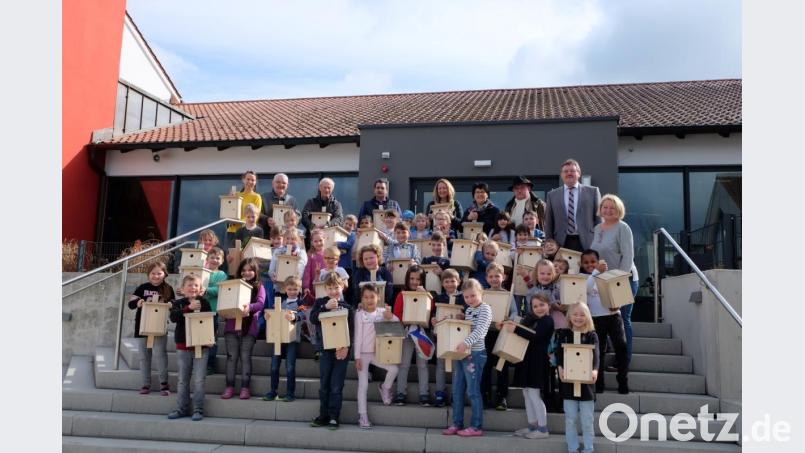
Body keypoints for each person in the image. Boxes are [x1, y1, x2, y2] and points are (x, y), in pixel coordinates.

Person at [590, 194, 638, 368]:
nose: (608, 210)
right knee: (606, 321)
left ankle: (624, 361)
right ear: (600, 209)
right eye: (605, 207)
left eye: (612, 207)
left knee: (623, 320)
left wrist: (619, 283)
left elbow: (628, 256)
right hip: (603, 281)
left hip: (623, 280)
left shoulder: (623, 227)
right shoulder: (598, 228)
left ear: (619, 210)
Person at [442, 278, 492, 437]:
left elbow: (480, 331)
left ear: (481, 293)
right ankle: (457, 423)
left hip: (476, 354)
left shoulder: (485, 309)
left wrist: (466, 342)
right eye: (466, 297)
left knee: (472, 391)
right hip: (462, 354)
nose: (470, 299)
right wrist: (462, 320)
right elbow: (468, 328)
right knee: (457, 390)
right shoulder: (469, 310)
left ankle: (476, 426)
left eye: (473, 296)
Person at [309, 273, 354, 430]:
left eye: (336, 287)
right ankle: (323, 415)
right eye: (330, 288)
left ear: (342, 287)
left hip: (341, 351)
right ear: (325, 289)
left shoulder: (347, 307)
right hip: (325, 350)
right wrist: (324, 307)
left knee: (336, 385)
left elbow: (352, 330)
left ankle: (334, 416)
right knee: (324, 384)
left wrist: (346, 348)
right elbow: (313, 319)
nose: (333, 290)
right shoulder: (320, 303)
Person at [580, 249, 629, 394]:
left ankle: (623, 381)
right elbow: (585, 289)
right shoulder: (582, 277)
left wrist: (618, 303)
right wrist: (596, 272)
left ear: (599, 261)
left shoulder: (609, 274)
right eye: (586, 263)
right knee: (598, 351)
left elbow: (619, 291)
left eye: (593, 262)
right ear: (581, 264)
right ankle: (599, 384)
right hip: (595, 318)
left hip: (613, 316)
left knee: (621, 346)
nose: (590, 265)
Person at [354, 283, 400, 428]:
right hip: (362, 354)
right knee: (364, 385)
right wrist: (356, 357)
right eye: (366, 297)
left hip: (378, 353)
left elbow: (397, 323)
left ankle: (385, 388)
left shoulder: (381, 312)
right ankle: (363, 416)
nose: (369, 300)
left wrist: (390, 316)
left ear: (378, 297)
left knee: (394, 369)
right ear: (361, 298)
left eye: (372, 297)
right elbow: (357, 337)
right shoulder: (359, 314)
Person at [556, 303, 600, 453]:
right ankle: (572, 448)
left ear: (587, 317)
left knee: (587, 420)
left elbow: (596, 355)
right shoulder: (564, 333)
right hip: (568, 384)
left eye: (582, 315)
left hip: (587, 385)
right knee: (571, 419)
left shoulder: (591, 335)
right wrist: (560, 368)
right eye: (575, 314)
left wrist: (595, 370)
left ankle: (588, 448)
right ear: (569, 316)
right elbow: (559, 354)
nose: (578, 318)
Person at [167, 274, 212, 421]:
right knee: (182, 379)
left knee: (199, 379)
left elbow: (211, 321)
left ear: (200, 289)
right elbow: (173, 317)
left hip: (201, 346)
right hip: (183, 346)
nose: (193, 288)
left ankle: (198, 410)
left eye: (196, 286)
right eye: (190, 285)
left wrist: (211, 338)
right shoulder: (178, 303)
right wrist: (188, 308)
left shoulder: (205, 303)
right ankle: (181, 409)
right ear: (183, 289)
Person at [510, 293, 555, 439]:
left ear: (548, 305)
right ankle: (532, 426)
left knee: (534, 394)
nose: (539, 308)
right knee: (527, 393)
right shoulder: (534, 319)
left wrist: (515, 330)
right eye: (535, 306)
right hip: (527, 360)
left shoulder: (547, 320)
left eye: (542, 305)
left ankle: (543, 429)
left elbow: (535, 336)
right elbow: (524, 324)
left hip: (538, 361)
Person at [129, 261, 175, 396]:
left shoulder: (168, 288)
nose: (156, 276)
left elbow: (174, 303)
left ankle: (164, 384)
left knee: (160, 355)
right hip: (142, 327)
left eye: (159, 273)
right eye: (153, 273)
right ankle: (145, 384)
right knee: (144, 357)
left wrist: (170, 304)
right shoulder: (142, 288)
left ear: (164, 274)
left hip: (159, 327)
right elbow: (131, 304)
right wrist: (139, 302)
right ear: (148, 275)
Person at [221, 258, 265, 400]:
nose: (246, 272)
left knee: (245, 357)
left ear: (255, 271)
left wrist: (250, 307)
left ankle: (245, 388)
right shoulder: (234, 284)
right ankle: (229, 387)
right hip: (231, 326)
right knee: (231, 357)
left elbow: (260, 303)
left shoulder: (259, 286)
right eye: (244, 270)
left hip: (249, 326)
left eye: (250, 270)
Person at [392, 265, 434, 406]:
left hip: (421, 333)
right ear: (407, 279)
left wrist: (424, 294)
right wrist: (406, 321)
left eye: (418, 279)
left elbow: (431, 310)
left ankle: (424, 394)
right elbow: (397, 313)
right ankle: (400, 393)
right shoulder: (402, 294)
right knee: (404, 364)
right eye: (412, 279)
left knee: (423, 365)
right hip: (407, 333)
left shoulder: (427, 294)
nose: (415, 282)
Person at [480, 263, 518, 411]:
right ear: (486, 278)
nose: (494, 279)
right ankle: (485, 394)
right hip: (487, 334)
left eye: (497, 276)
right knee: (486, 365)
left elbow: (514, 312)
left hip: (502, 334)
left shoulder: (508, 295)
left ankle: (501, 396)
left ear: (503, 277)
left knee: (502, 366)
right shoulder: (483, 294)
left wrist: (508, 320)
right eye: (491, 276)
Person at [544, 159, 601, 252]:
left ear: (579, 173)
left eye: (572, 171)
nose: (569, 173)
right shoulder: (552, 195)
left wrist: (599, 242)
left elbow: (598, 219)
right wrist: (549, 242)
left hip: (588, 242)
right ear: (561, 175)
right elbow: (549, 222)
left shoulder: (593, 192)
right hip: (561, 242)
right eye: (565, 171)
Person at [263, 276, 303, 402]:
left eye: (295, 289)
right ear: (285, 289)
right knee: (274, 366)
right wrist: (268, 315)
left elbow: (303, 316)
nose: (292, 291)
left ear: (299, 289)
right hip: (278, 338)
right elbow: (274, 316)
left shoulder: (301, 303)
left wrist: (294, 317)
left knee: (290, 366)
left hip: (292, 339)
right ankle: (273, 391)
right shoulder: (281, 302)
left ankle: (290, 393)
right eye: (290, 289)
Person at [428, 268, 464, 407]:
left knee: (456, 367)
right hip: (441, 336)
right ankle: (440, 393)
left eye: (452, 281)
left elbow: (467, 313)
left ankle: (456, 394)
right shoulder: (439, 297)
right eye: (446, 281)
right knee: (440, 366)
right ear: (442, 283)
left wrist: (463, 316)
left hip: (457, 337)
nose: (450, 284)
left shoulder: (462, 298)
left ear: (459, 282)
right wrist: (433, 320)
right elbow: (432, 314)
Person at [203, 247, 228, 375]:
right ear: (207, 259)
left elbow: (220, 290)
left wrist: (206, 290)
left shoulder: (222, 275)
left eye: (217, 258)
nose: (214, 260)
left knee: (211, 339)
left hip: (213, 311)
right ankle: (199, 363)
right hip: (199, 310)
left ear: (222, 261)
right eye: (212, 257)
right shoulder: (202, 272)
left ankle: (210, 365)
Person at [225, 171, 264, 249]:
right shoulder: (236, 194)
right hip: (232, 230)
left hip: (246, 231)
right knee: (231, 257)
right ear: (243, 180)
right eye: (248, 179)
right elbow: (228, 211)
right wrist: (229, 199)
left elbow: (256, 215)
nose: (250, 182)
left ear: (255, 182)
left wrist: (239, 222)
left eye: (253, 180)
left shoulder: (256, 197)